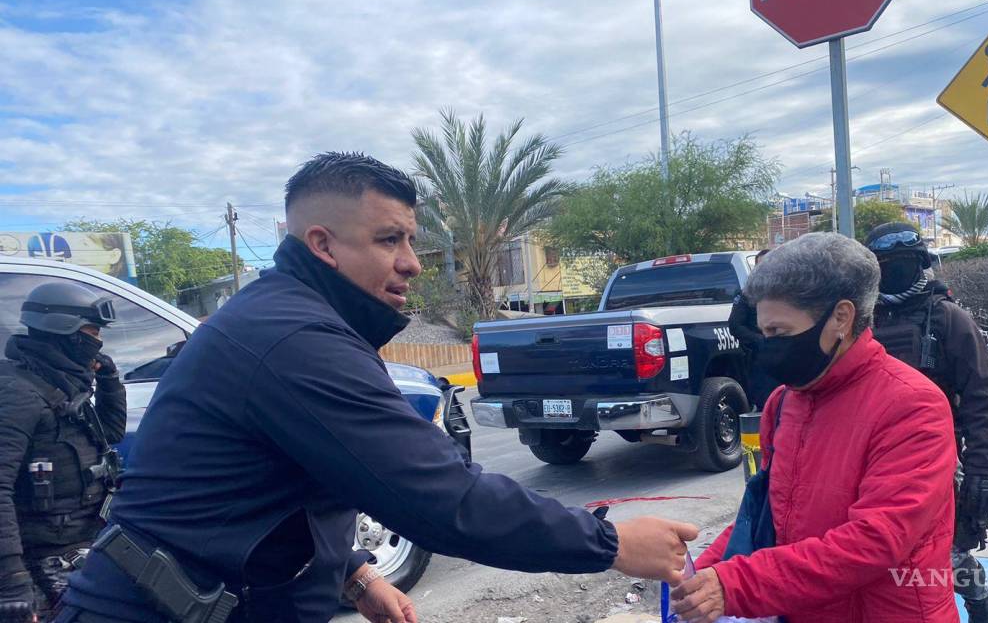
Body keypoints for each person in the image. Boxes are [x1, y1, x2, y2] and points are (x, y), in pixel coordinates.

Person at [57, 152, 697, 623]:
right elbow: (440, 497)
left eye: (411, 239)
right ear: (323, 245)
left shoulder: (292, 317)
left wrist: (356, 574)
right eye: (389, 239)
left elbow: (298, 476)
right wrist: (609, 543)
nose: (412, 262)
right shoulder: (294, 338)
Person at [672, 232, 959, 623]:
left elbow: (877, 540)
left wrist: (736, 584)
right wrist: (706, 572)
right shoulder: (785, 401)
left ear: (841, 317)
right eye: (763, 333)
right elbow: (766, 512)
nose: (768, 347)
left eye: (780, 333)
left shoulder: (912, 405)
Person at [865, 222, 988, 623]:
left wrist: (980, 472)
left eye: (900, 263)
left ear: (921, 262)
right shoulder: (861, 319)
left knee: (946, 553)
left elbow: (981, 400)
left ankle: (981, 603)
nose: (891, 272)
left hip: (938, 459)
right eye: (882, 264)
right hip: (873, 456)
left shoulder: (949, 320)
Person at [0, 283, 126, 621]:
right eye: (92, 332)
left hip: (89, 539)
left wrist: (110, 379)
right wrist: (11, 582)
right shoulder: (18, 393)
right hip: (45, 557)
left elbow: (110, 433)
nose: (97, 342)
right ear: (65, 333)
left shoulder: (62, 384)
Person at [728, 249, 779, 411]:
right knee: (767, 405)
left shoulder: (790, 293)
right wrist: (760, 341)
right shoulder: (747, 295)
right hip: (761, 359)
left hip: (787, 355)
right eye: (760, 266)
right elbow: (735, 326)